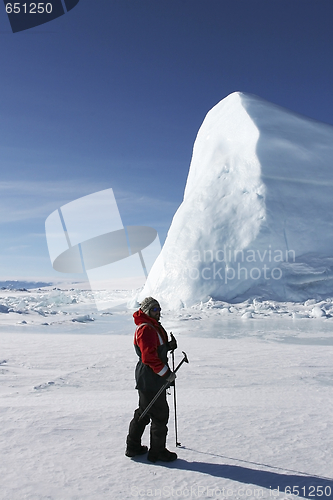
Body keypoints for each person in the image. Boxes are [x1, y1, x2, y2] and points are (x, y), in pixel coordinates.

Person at [125, 296, 178, 463]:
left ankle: (133, 447)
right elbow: (149, 357)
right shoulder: (146, 329)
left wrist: (168, 346)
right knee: (159, 413)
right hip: (150, 376)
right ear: (148, 311)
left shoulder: (152, 326)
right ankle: (158, 452)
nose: (158, 312)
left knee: (145, 411)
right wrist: (166, 373)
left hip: (150, 376)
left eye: (159, 309)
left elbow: (154, 350)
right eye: (155, 309)